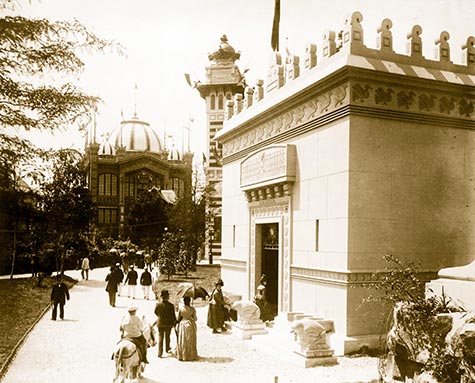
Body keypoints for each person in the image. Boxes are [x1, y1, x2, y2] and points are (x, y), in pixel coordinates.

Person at [154, 289, 176, 357]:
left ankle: (160, 352)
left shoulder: (158, 304)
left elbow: (155, 312)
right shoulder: (171, 305)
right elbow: (173, 315)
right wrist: (174, 322)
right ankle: (167, 348)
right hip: (168, 323)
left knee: (160, 337)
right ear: (167, 297)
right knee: (167, 336)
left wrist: (160, 317)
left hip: (160, 323)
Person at [176, 296, 198, 361]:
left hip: (182, 325)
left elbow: (178, 319)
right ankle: (191, 355)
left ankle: (182, 355)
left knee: (183, 340)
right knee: (190, 340)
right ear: (190, 301)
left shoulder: (181, 309)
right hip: (190, 324)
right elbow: (195, 319)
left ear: (184, 301)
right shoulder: (192, 309)